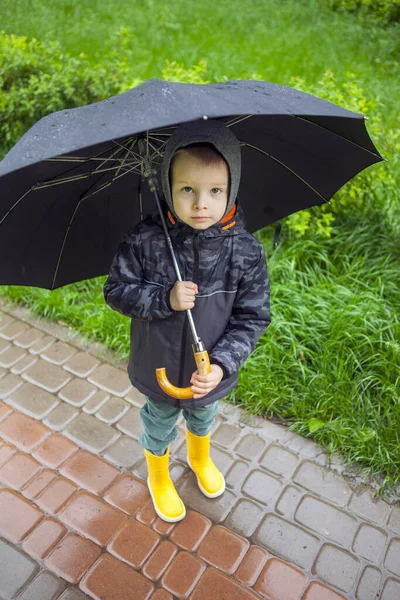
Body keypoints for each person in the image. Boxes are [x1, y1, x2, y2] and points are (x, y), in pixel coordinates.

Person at [103, 119, 270, 522]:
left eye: (215, 191)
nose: (201, 204)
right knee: (158, 422)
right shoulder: (144, 240)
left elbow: (253, 316)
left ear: (232, 189)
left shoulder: (245, 252)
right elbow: (116, 291)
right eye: (187, 190)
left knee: (204, 415)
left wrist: (223, 363)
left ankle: (199, 458)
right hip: (157, 363)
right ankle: (158, 475)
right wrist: (165, 297)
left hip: (207, 370)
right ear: (166, 187)